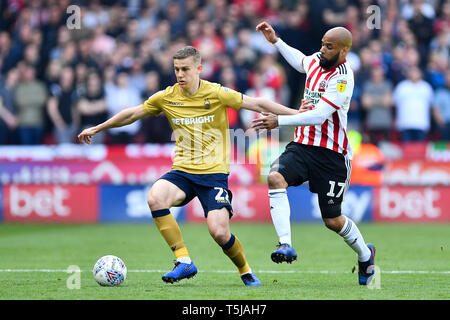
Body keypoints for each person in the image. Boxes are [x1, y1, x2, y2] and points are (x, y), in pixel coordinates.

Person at [78, 45, 299, 286]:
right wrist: (98, 128)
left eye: (185, 69)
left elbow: (258, 104)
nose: (180, 74)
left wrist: (298, 116)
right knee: (155, 198)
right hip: (182, 171)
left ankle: (245, 271)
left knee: (219, 233)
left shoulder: (216, 93)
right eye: (176, 69)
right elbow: (133, 114)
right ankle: (183, 261)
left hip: (214, 175)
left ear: (199, 69)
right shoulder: (167, 96)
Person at [253, 21, 376, 285]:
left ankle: (366, 255)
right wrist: (276, 41)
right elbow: (300, 60)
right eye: (321, 43)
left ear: (343, 52)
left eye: (329, 46)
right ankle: (285, 244)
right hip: (302, 146)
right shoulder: (317, 61)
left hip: (332, 154)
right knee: (275, 178)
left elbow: (319, 116)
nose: (322, 50)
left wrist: (278, 120)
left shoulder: (342, 77)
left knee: (332, 220)